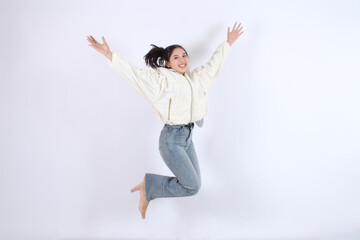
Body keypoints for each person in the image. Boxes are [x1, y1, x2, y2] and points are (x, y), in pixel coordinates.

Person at [86, 22, 244, 219]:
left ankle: (149, 186)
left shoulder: (197, 77)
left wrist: (227, 44)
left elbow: (214, 64)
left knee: (195, 184)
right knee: (192, 187)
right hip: (171, 140)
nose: (182, 59)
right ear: (168, 63)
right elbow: (135, 75)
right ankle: (149, 187)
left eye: (184, 55)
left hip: (188, 138)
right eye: (176, 57)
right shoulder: (161, 80)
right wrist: (110, 55)